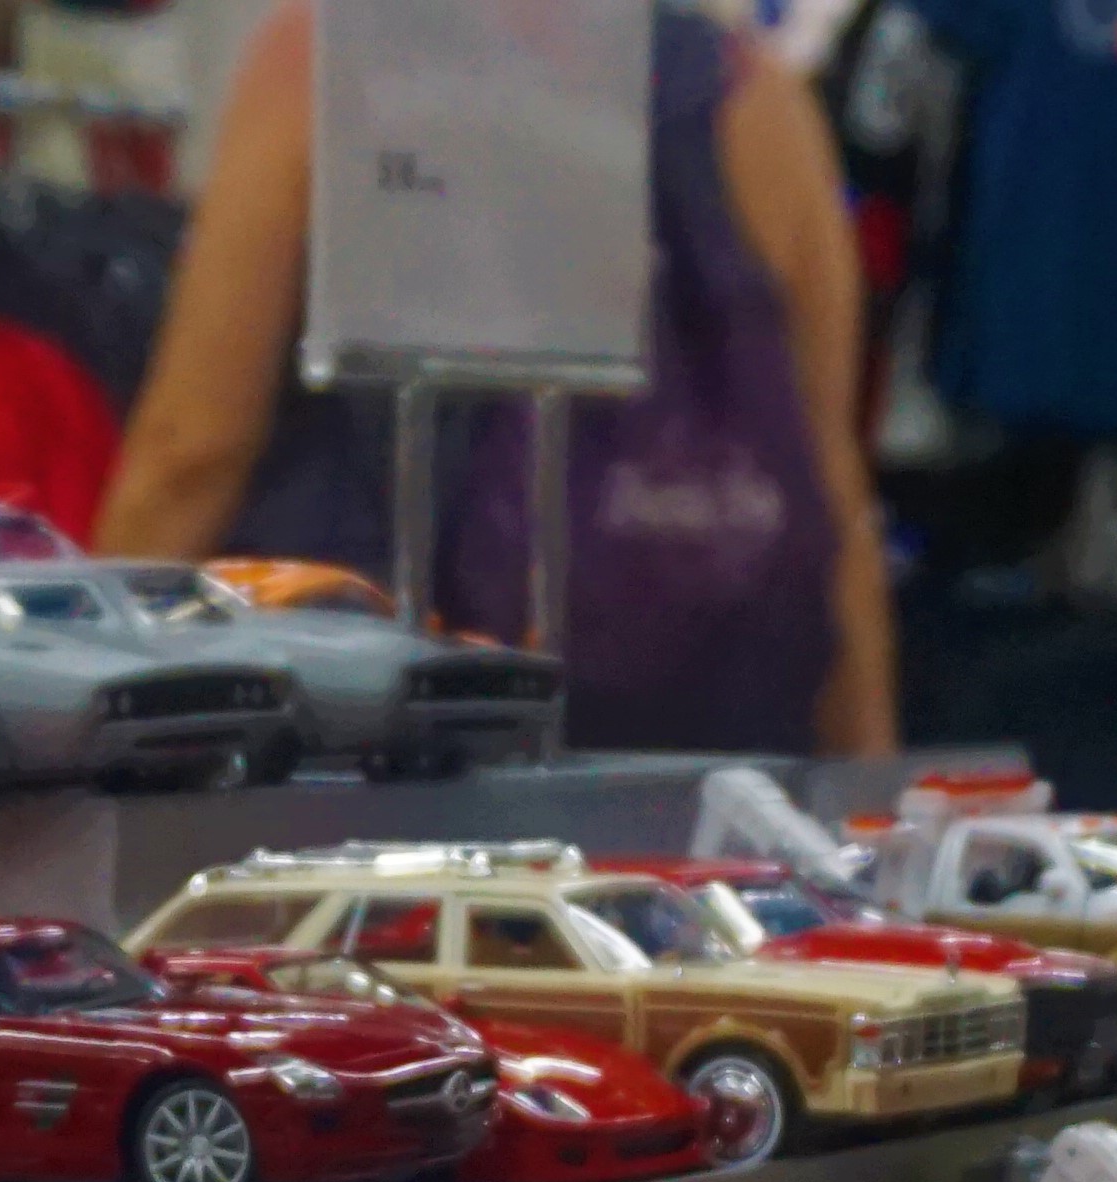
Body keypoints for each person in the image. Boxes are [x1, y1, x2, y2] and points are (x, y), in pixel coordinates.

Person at [93, 0, 894, 757]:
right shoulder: (751, 96)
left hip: (395, 739)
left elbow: (192, 448)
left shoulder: (334, 52)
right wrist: (868, 769)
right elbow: (829, 483)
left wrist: (82, 694)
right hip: (712, 753)